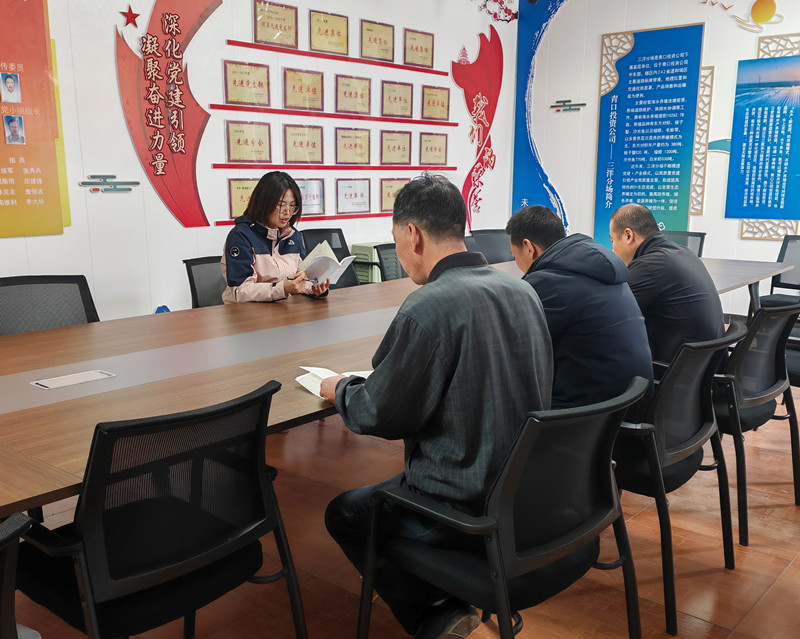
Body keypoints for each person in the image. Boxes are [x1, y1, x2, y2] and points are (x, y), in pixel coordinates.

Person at [320, 173, 553, 639]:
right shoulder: (523, 291)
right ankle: (448, 596)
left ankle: (436, 613)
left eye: (396, 240)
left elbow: (378, 413)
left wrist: (340, 389)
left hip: (459, 506)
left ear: (413, 235)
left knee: (344, 514)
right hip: (525, 495)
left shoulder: (428, 306)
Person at [505, 205, 652, 411]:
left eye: (515, 256)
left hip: (588, 413)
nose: (516, 263)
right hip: (631, 401)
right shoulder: (599, 267)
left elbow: (513, 347)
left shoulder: (548, 283)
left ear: (529, 247)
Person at [609, 203, 724, 363]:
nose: (613, 250)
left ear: (628, 236)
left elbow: (610, 308)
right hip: (706, 363)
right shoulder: (683, 252)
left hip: (678, 368)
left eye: (613, 240)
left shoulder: (650, 265)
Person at [221, 171, 329, 302]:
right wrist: (282, 288)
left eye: (292, 206)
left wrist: (314, 288)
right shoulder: (241, 236)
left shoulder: (293, 236)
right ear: (263, 202)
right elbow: (239, 291)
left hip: (281, 309)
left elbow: (301, 277)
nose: (287, 212)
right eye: (281, 205)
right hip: (246, 312)